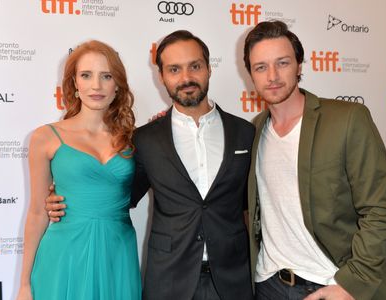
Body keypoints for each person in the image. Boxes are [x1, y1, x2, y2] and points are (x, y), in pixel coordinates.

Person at [45, 31, 255, 300]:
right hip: (170, 281)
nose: (186, 78)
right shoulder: (144, 140)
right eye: (174, 69)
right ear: (162, 77)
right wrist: (60, 196)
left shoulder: (245, 132)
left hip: (233, 281)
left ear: (209, 68)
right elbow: (117, 195)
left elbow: (254, 205)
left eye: (195, 66)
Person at [244, 21, 386, 300]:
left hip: (331, 284)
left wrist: (351, 284)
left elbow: (380, 212)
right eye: (261, 67)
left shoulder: (347, 119)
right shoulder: (255, 130)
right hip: (269, 284)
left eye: (282, 63)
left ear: (299, 65)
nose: (272, 75)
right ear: (251, 75)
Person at [17, 40, 141, 300]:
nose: (96, 86)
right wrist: (24, 285)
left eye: (106, 76)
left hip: (117, 255)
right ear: (74, 84)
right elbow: (38, 212)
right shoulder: (45, 137)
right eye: (86, 75)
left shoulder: (134, 139)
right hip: (65, 255)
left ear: (117, 85)